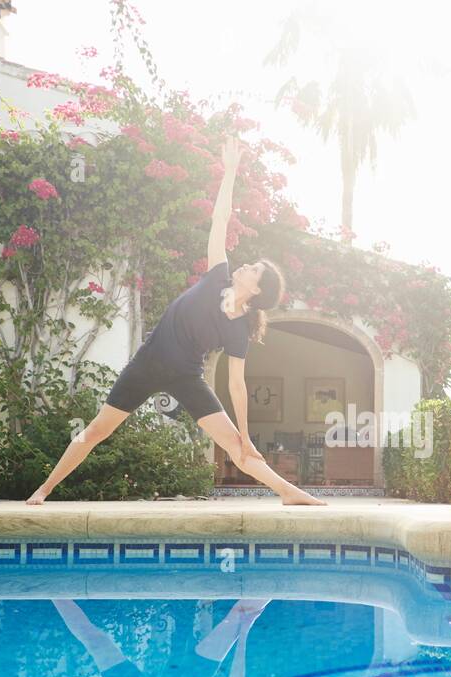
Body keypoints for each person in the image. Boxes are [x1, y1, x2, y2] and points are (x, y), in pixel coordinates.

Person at [27, 136, 324, 506]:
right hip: (147, 365)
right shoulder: (219, 274)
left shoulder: (239, 329)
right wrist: (230, 171)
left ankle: (290, 493)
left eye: (254, 269)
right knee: (95, 433)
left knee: (235, 446)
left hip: (186, 377)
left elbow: (236, 386)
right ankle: (44, 489)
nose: (245, 264)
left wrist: (246, 435)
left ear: (256, 289)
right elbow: (221, 218)